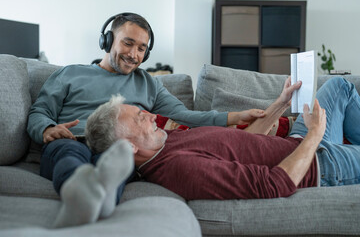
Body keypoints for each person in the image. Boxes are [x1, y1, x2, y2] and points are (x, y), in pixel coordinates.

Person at [26, 12, 264, 227]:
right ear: (107, 42)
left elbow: (185, 116)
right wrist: (47, 129)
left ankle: (105, 198)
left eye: (142, 48)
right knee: (69, 153)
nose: (133, 54)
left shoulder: (148, 83)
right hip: (72, 138)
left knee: (119, 161)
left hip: (119, 145)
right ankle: (78, 197)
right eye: (128, 43)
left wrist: (235, 116)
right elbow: (39, 112)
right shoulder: (70, 74)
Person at [85, 76, 360, 201]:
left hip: (298, 144)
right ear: (128, 146)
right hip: (320, 165)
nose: (148, 114)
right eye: (137, 118)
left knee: (339, 86)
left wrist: (280, 104)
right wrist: (314, 136)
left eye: (140, 110)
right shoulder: (179, 168)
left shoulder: (165, 141)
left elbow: (245, 144)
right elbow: (275, 185)